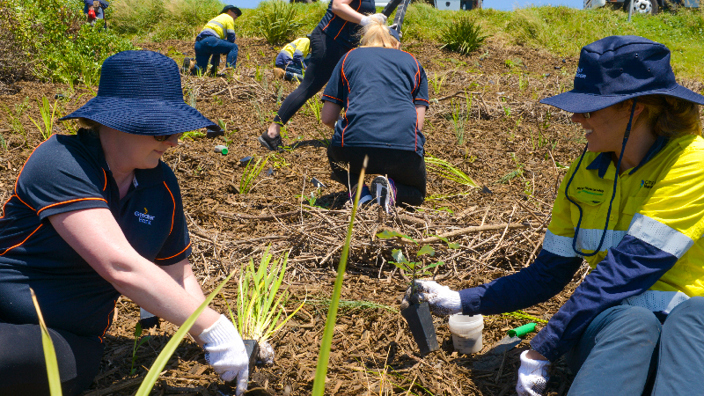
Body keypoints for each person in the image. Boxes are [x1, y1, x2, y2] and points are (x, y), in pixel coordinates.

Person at [401, 35, 704, 396]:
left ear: (634, 108)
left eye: (589, 109)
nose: (576, 118)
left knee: (694, 315)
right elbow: (548, 274)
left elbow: (627, 270)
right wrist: (460, 300)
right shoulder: (585, 172)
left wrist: (543, 346)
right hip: (614, 331)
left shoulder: (692, 164)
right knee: (633, 321)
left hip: (687, 330)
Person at [0, 51, 249, 396]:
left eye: (177, 132)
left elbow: (177, 273)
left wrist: (219, 341)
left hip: (66, 339)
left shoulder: (159, 184)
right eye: (163, 133)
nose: (174, 142)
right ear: (118, 122)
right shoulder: (60, 160)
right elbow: (119, 265)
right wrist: (212, 328)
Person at [320, 21, 428, 212]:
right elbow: (417, 125)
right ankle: (393, 190)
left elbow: (328, 117)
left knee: (335, 157)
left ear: (364, 40)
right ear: (395, 44)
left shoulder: (349, 58)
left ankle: (359, 192)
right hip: (402, 152)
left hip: (353, 150)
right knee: (417, 194)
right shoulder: (413, 62)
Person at [258, 0, 386, 151]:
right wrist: (365, 20)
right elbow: (338, 6)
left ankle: (348, 132)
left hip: (345, 46)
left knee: (348, 89)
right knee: (309, 87)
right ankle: (272, 132)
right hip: (330, 40)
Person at [183, 5, 241, 77]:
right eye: (235, 12)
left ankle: (190, 65)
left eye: (237, 15)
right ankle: (230, 72)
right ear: (229, 11)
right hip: (210, 40)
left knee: (200, 71)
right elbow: (231, 37)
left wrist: (214, 68)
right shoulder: (228, 17)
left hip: (199, 43)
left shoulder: (215, 19)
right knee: (233, 47)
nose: (236, 16)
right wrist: (226, 49)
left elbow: (216, 49)